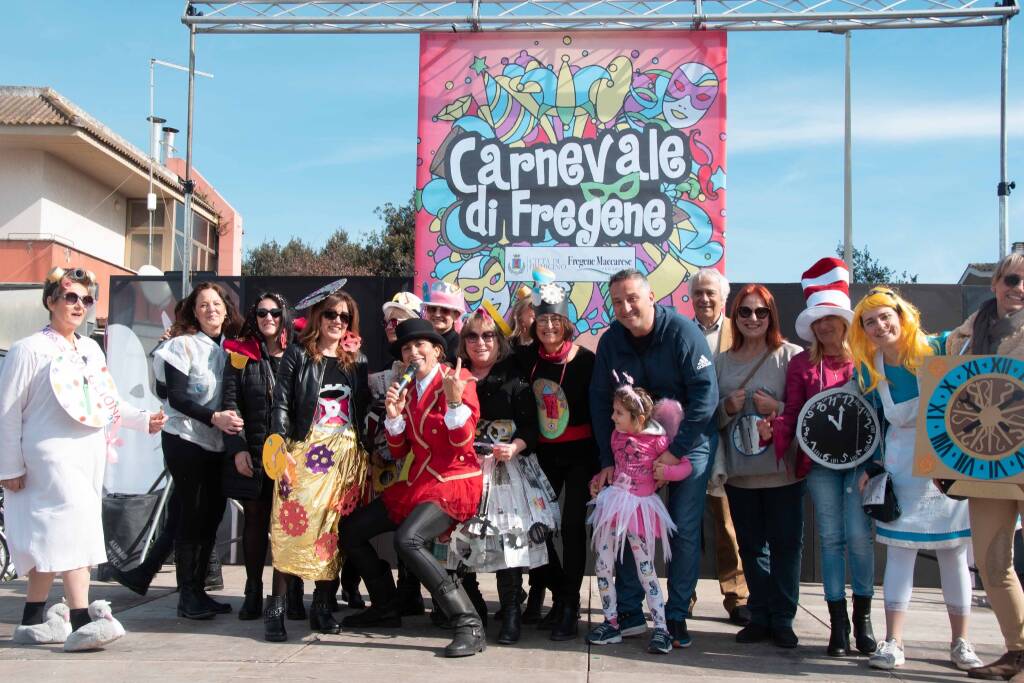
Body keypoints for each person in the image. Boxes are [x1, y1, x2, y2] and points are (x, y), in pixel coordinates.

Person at [1, 267, 164, 651]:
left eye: (86, 299)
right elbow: (7, 410)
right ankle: (79, 618)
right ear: (51, 301)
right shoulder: (29, 349)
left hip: (86, 454)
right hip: (46, 456)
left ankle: (31, 620)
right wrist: (8, 467)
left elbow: (106, 402)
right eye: (71, 297)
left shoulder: (90, 349)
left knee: (51, 538)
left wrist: (142, 420)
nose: (79, 306)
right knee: (74, 530)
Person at [849, 287, 983, 672]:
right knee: (899, 551)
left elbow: (973, 332)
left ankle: (961, 643)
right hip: (901, 467)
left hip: (945, 465)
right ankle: (894, 642)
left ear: (901, 313)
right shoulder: (867, 367)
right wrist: (872, 465)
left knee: (955, 553)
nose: (879, 325)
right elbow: (871, 420)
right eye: (869, 321)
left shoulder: (938, 348)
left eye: (884, 315)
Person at [339, 318, 486, 658]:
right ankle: (386, 605)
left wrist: (453, 403)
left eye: (421, 345)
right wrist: (393, 415)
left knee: (408, 539)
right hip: (419, 480)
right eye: (407, 347)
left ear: (437, 351)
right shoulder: (407, 390)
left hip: (454, 480)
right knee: (352, 530)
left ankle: (468, 623)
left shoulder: (459, 380)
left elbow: (462, 444)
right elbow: (402, 450)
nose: (413, 351)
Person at [590, 269, 718, 649]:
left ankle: (676, 616)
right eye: (617, 302)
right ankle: (629, 612)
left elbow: (705, 398)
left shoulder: (683, 333)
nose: (626, 307)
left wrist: (673, 453)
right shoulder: (612, 341)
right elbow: (600, 400)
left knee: (682, 528)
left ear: (650, 297)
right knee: (629, 526)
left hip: (686, 443)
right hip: (631, 448)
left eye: (632, 298)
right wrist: (606, 458)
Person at [757, 259, 876, 656]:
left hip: (860, 465)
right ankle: (837, 627)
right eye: (819, 321)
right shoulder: (800, 365)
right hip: (821, 465)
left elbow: (878, 414)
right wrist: (776, 433)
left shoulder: (867, 362)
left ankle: (863, 622)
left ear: (844, 321)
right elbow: (793, 411)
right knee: (830, 540)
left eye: (831, 319)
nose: (825, 326)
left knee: (860, 539)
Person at [262, 282, 370, 642]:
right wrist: (279, 443)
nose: (337, 321)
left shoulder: (356, 361)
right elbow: (281, 402)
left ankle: (322, 606)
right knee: (290, 527)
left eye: (344, 316)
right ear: (317, 317)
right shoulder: (297, 354)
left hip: (344, 458)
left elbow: (363, 409)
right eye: (331, 314)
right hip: (304, 452)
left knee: (331, 532)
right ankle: (275, 608)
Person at [447, 307, 552, 645]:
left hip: (506, 471)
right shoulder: (454, 377)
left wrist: (515, 446)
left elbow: (532, 428)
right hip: (464, 472)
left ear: (499, 340)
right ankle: (472, 606)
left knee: (509, 545)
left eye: (488, 335)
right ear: (463, 342)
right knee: (458, 541)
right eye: (473, 336)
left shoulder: (514, 376)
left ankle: (510, 615)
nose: (480, 342)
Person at [715, 284, 804, 648]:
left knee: (786, 546)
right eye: (745, 312)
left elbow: (804, 413)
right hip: (741, 474)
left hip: (783, 473)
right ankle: (760, 614)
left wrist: (778, 410)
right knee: (751, 547)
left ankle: (783, 618)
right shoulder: (721, 363)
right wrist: (727, 409)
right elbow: (708, 416)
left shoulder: (791, 356)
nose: (753, 318)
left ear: (772, 316)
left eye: (760, 312)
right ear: (735, 317)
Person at [949, 252, 1024, 681]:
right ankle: (1017, 651)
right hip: (987, 460)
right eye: (1012, 279)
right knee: (993, 561)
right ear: (995, 283)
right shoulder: (965, 335)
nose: (1019, 289)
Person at [152, 282, 244, 620]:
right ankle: (187, 594)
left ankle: (200, 590)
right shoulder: (180, 346)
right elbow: (176, 396)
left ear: (226, 309)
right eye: (203, 304)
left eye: (216, 303)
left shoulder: (232, 347)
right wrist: (213, 417)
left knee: (212, 514)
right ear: (194, 310)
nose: (211, 310)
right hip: (186, 440)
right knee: (193, 514)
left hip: (217, 443)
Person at [586, 381, 692, 655]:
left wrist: (665, 473)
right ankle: (611, 622)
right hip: (613, 505)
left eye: (618, 413)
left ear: (639, 418)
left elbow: (685, 466)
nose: (612, 417)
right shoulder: (616, 436)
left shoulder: (658, 441)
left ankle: (661, 628)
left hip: (640, 509)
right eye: (613, 411)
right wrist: (598, 481)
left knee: (646, 570)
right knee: (602, 565)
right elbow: (618, 468)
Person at [521, 281, 598, 641]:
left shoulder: (586, 361)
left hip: (581, 455)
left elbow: (599, 411)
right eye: (541, 322)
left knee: (571, 529)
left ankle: (569, 606)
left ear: (565, 323)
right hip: (543, 457)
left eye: (554, 321)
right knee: (537, 528)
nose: (548, 328)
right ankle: (558, 591)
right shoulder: (527, 360)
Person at [220, 292, 291, 620]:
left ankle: (285, 595)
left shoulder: (298, 353)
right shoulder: (240, 354)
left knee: (286, 526)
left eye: (275, 313)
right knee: (256, 522)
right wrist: (238, 449)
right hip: (253, 451)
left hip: (290, 457)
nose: (269, 318)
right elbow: (230, 403)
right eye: (262, 313)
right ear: (254, 316)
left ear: (283, 316)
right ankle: (252, 591)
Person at [689, 267, 750, 627]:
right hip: (691, 442)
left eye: (710, 293)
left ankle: (737, 596)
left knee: (728, 525)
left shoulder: (739, 332)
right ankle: (685, 594)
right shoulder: (682, 332)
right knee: (686, 526)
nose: (704, 299)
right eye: (698, 294)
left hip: (730, 443)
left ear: (724, 298)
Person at [422, 281, 465, 361]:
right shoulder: (421, 340)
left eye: (445, 310)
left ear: (456, 315)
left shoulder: (461, 345)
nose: (437, 314)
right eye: (432, 309)